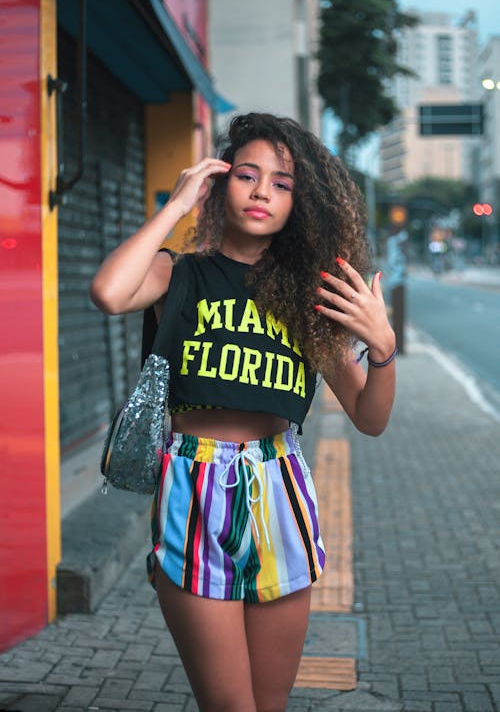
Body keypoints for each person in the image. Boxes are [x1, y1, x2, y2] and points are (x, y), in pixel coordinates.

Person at [90, 113, 396, 712]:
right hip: (194, 486)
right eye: (248, 175)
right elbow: (108, 292)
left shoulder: (313, 295)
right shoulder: (179, 274)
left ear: (299, 205)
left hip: (280, 484)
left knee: (269, 704)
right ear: (220, 183)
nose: (262, 192)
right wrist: (177, 206)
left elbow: (369, 415)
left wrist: (383, 349)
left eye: (282, 183)